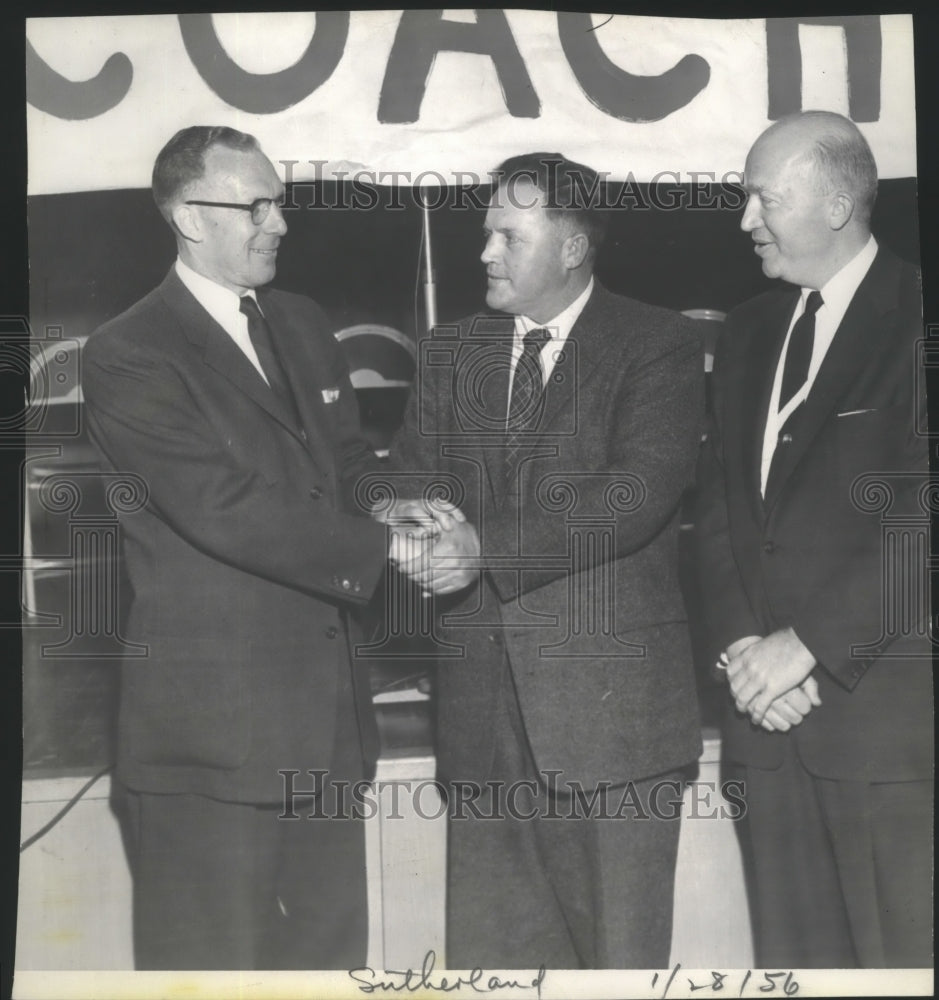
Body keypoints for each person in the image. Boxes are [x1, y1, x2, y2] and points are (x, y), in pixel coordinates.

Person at [81, 125, 425, 970]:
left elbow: (341, 463)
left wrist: (402, 505)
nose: (279, 224)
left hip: (328, 733)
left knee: (331, 962)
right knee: (214, 971)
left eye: (280, 203)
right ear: (188, 218)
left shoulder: (300, 322)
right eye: (257, 205)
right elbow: (220, 506)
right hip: (214, 745)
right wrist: (387, 550)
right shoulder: (128, 352)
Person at [384, 153, 705, 968]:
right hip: (480, 722)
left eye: (507, 234)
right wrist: (405, 515)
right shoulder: (449, 350)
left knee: (617, 962)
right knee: (496, 967)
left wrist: (480, 547)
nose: (484, 252)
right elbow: (408, 474)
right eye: (485, 231)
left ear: (571, 248)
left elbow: (634, 495)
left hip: (611, 728)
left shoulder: (656, 344)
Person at [694, 110, 932, 967]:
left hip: (883, 743)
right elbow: (717, 510)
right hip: (767, 735)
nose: (744, 219)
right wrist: (742, 652)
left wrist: (809, 645)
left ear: (837, 205)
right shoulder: (750, 329)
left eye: (763, 197)